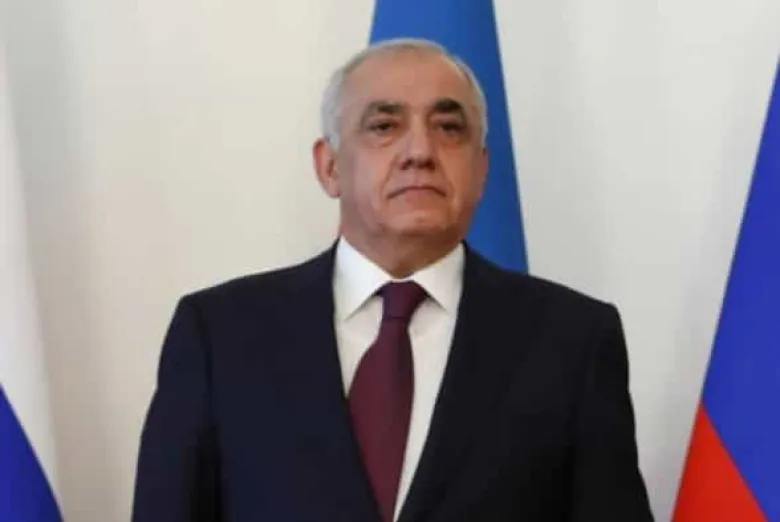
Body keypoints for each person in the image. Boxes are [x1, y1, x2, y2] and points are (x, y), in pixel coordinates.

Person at [132, 38, 654, 522]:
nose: (420, 151)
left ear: (481, 169)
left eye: (449, 128)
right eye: (384, 126)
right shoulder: (219, 335)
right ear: (329, 167)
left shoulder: (573, 341)